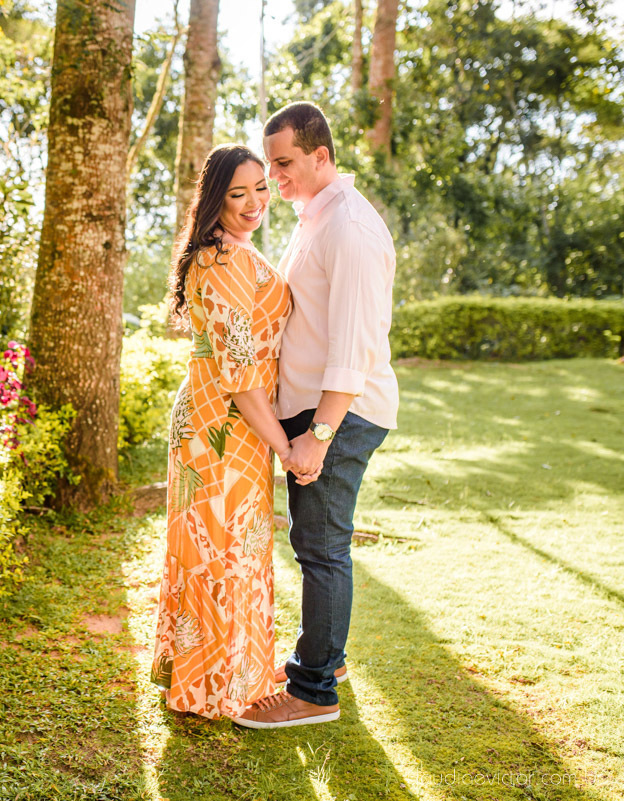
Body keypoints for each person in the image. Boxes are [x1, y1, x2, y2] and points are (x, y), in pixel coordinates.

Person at [231, 101, 399, 729]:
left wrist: (318, 438)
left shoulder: (348, 228)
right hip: (315, 413)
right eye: (271, 164)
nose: (274, 177)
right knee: (315, 544)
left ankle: (312, 691)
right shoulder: (317, 215)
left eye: (283, 163)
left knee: (322, 548)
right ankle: (326, 658)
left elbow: (353, 347)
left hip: (340, 415)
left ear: (321, 156)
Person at [150, 144, 308, 719]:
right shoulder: (216, 263)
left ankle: (231, 673)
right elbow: (240, 375)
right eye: (238, 193)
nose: (253, 203)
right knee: (219, 549)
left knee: (236, 546)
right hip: (222, 422)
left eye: (261, 188)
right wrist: (287, 447)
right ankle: (212, 685)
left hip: (239, 422)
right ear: (215, 198)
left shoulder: (234, 252)